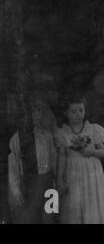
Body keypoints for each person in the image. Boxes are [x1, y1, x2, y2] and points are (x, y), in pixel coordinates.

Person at [55, 93, 104, 223]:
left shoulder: (93, 129)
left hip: (92, 174)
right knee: (75, 207)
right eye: (73, 111)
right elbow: (62, 157)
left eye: (81, 110)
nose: (78, 114)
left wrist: (91, 151)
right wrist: (59, 179)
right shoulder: (62, 133)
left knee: (91, 208)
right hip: (73, 174)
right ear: (66, 113)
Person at [8, 94, 56, 223]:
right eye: (32, 110)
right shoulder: (17, 139)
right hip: (28, 185)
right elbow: (13, 169)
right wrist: (16, 191)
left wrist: (55, 182)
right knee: (29, 218)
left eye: (38, 109)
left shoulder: (47, 136)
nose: (36, 114)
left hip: (47, 183)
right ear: (25, 113)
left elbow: (53, 160)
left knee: (49, 218)